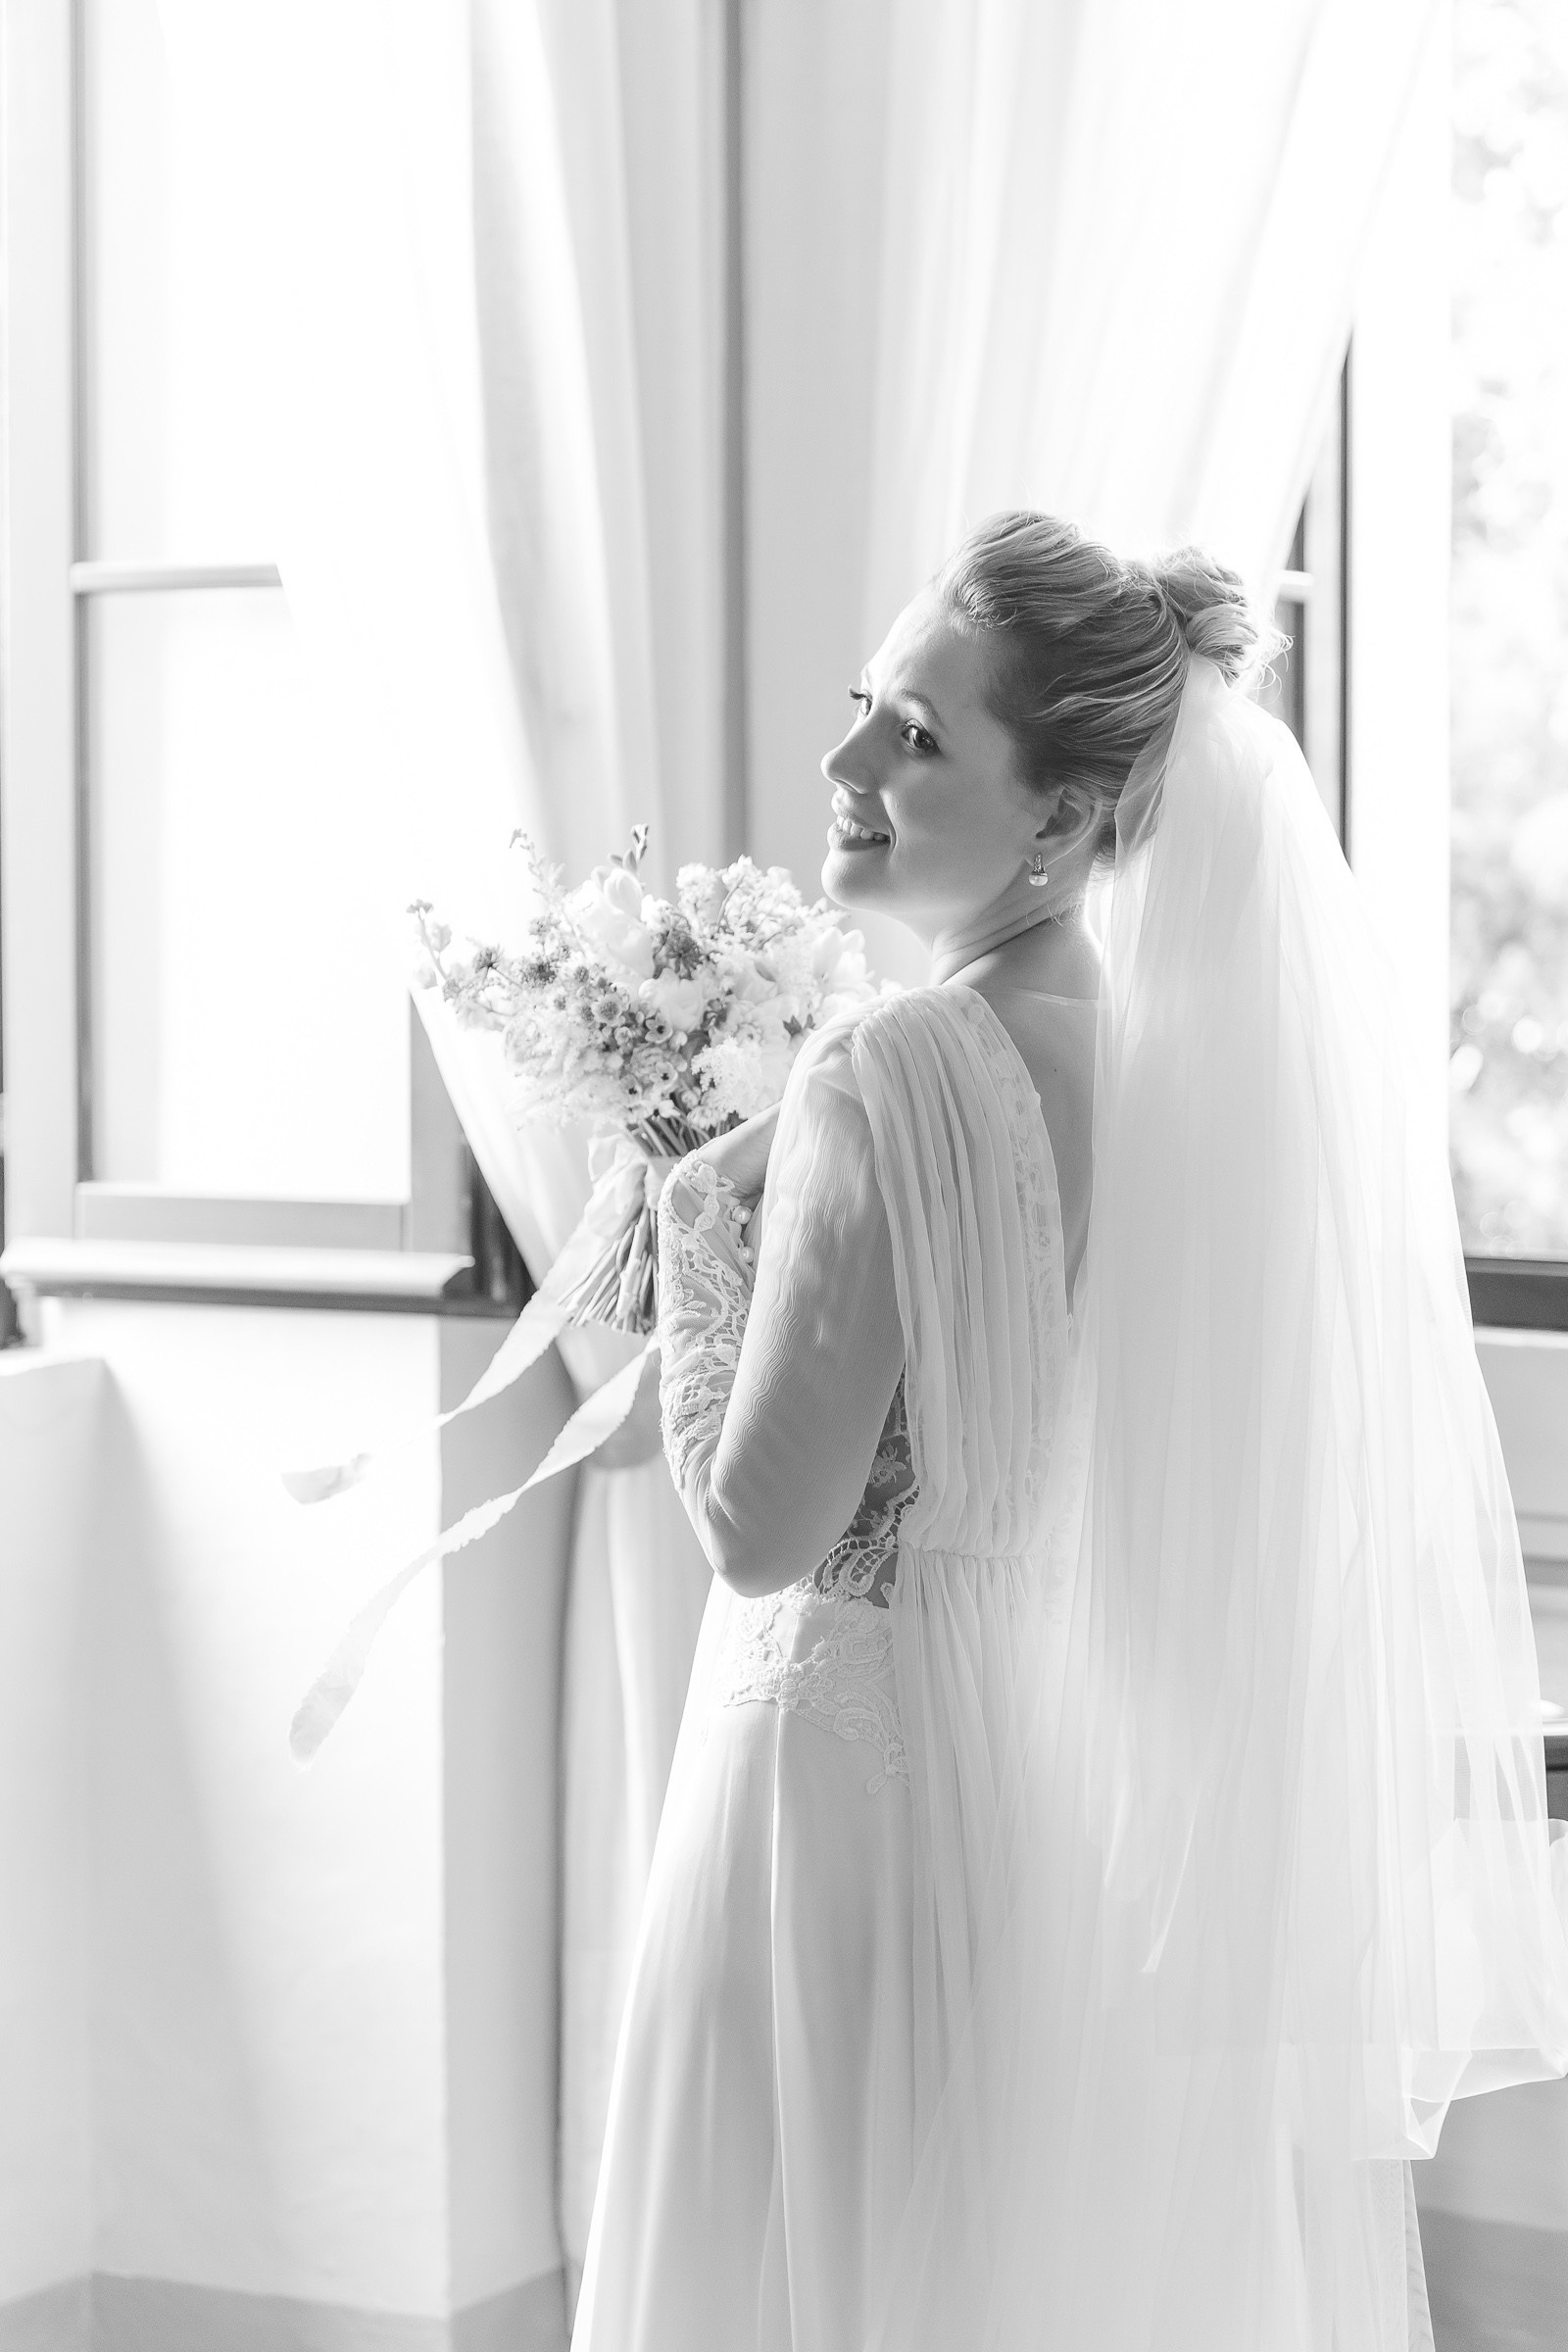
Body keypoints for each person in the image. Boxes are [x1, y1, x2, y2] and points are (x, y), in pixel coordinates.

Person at [570, 513, 1568, 2351]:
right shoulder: (1167, 1076)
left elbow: (755, 1533)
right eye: (866, 706)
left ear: (1060, 817)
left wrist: (695, 1226)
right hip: (1036, 1786)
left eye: (915, 735)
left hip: (825, 1786)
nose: (845, 763)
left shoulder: (884, 1070)